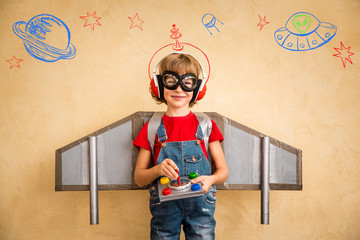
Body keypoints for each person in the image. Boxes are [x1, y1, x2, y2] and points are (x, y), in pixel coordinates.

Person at [133, 52, 228, 240]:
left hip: (201, 204)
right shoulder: (151, 128)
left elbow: (223, 171)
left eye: (187, 82)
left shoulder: (206, 126)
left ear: (197, 89)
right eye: (171, 80)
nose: (179, 88)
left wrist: (210, 180)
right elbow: (139, 178)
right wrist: (158, 169)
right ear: (159, 86)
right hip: (165, 208)